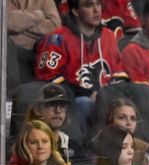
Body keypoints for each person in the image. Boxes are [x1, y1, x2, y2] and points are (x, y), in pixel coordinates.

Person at [34, 0, 130, 132]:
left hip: (106, 99)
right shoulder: (57, 38)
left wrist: (106, 96)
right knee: (85, 103)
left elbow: (118, 76)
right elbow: (48, 78)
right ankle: (82, 150)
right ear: (75, 11)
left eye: (98, 4)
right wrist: (88, 93)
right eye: (89, 5)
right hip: (72, 102)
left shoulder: (108, 37)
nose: (97, 10)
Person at [24, 83, 86, 165]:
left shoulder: (74, 147)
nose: (58, 111)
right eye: (51, 105)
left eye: (62, 105)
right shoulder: (25, 145)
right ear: (37, 110)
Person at [5, 120, 71, 165]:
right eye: (34, 142)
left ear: (51, 144)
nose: (40, 146)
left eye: (45, 141)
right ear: (24, 146)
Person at [104, 98, 149, 165]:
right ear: (110, 121)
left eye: (133, 118)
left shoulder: (142, 148)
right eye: (122, 118)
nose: (129, 123)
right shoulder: (98, 146)